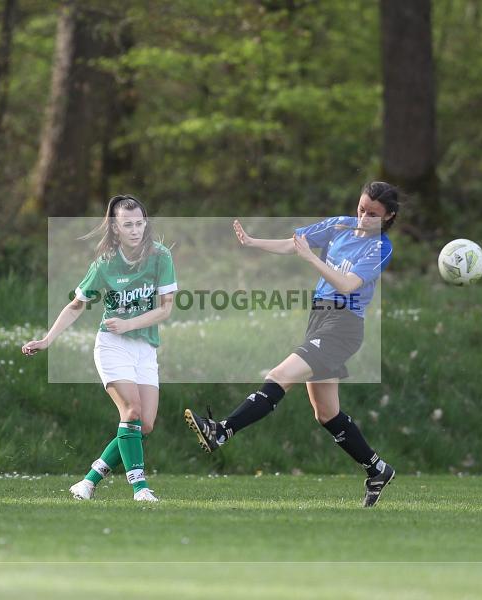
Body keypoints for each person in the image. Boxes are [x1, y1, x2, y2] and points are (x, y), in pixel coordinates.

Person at [184, 181, 399, 507]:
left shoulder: (380, 248)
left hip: (343, 327)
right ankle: (377, 469)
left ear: (388, 217)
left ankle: (222, 430)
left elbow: (346, 284)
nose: (363, 217)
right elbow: (294, 244)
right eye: (361, 208)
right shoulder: (340, 225)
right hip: (319, 319)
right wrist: (254, 242)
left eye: (373, 214)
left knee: (280, 374)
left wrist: (311, 259)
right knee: (326, 413)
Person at [22, 194, 177, 502]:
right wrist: (47, 339)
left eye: (139, 223)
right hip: (112, 346)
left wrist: (130, 324)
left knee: (144, 424)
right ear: (115, 229)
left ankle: (89, 481)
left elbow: (165, 308)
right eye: (127, 224)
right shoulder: (105, 264)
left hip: (145, 347)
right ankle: (140, 488)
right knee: (131, 412)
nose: (135, 229)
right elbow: (76, 305)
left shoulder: (160, 256)